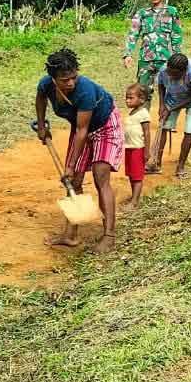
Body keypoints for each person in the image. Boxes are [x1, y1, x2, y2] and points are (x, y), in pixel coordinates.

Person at [36, 48, 121, 254]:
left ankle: (109, 236)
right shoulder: (46, 85)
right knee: (73, 181)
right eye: (65, 80)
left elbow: (83, 131)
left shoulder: (85, 90)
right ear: (53, 79)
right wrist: (41, 125)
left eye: (74, 77)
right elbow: (40, 99)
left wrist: (71, 165)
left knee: (101, 177)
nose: (71, 83)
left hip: (104, 126)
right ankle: (70, 235)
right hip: (81, 127)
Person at [149, 53, 191, 178]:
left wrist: (171, 109)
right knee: (164, 126)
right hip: (173, 95)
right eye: (169, 73)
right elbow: (161, 85)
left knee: (189, 130)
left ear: (184, 71)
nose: (171, 76)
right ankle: (156, 163)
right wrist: (162, 105)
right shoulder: (164, 70)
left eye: (175, 74)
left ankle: (180, 166)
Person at [123, 0, 183, 91]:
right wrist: (128, 54)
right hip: (146, 59)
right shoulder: (142, 13)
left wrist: (177, 57)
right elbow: (133, 34)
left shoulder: (171, 11)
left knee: (169, 91)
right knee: (142, 92)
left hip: (166, 59)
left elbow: (177, 35)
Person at [122, 83, 152, 210]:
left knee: (137, 176)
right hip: (129, 148)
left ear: (142, 99)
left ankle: (134, 202)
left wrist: (147, 151)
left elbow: (147, 133)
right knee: (131, 174)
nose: (127, 101)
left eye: (131, 98)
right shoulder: (131, 113)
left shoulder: (143, 113)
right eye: (126, 98)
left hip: (138, 149)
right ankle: (134, 196)